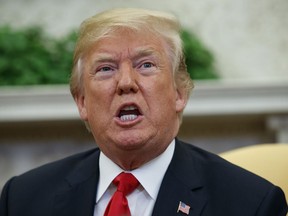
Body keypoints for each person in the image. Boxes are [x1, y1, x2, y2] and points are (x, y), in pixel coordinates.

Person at [0, 8, 287, 216]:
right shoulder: (22, 199)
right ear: (82, 102)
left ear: (179, 93)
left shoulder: (251, 204)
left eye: (146, 65)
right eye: (106, 69)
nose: (126, 83)